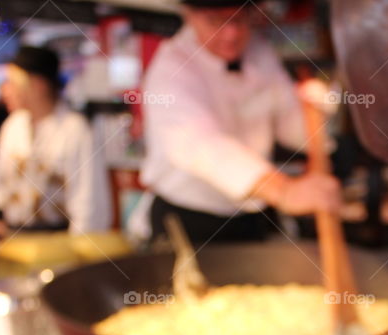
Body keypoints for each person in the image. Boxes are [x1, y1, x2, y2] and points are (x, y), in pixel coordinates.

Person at [135, 0, 341, 244]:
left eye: (240, 20)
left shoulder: (259, 52)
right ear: (189, 15)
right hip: (189, 219)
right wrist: (284, 191)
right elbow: (201, 144)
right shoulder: (171, 67)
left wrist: (318, 110)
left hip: (249, 216)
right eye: (215, 20)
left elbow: (291, 128)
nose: (231, 34)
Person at [0, 46, 110, 234]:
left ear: (38, 84)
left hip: (57, 242)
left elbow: (88, 202)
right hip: (13, 237)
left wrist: (81, 250)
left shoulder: (76, 130)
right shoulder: (13, 126)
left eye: (12, 82)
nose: (6, 90)